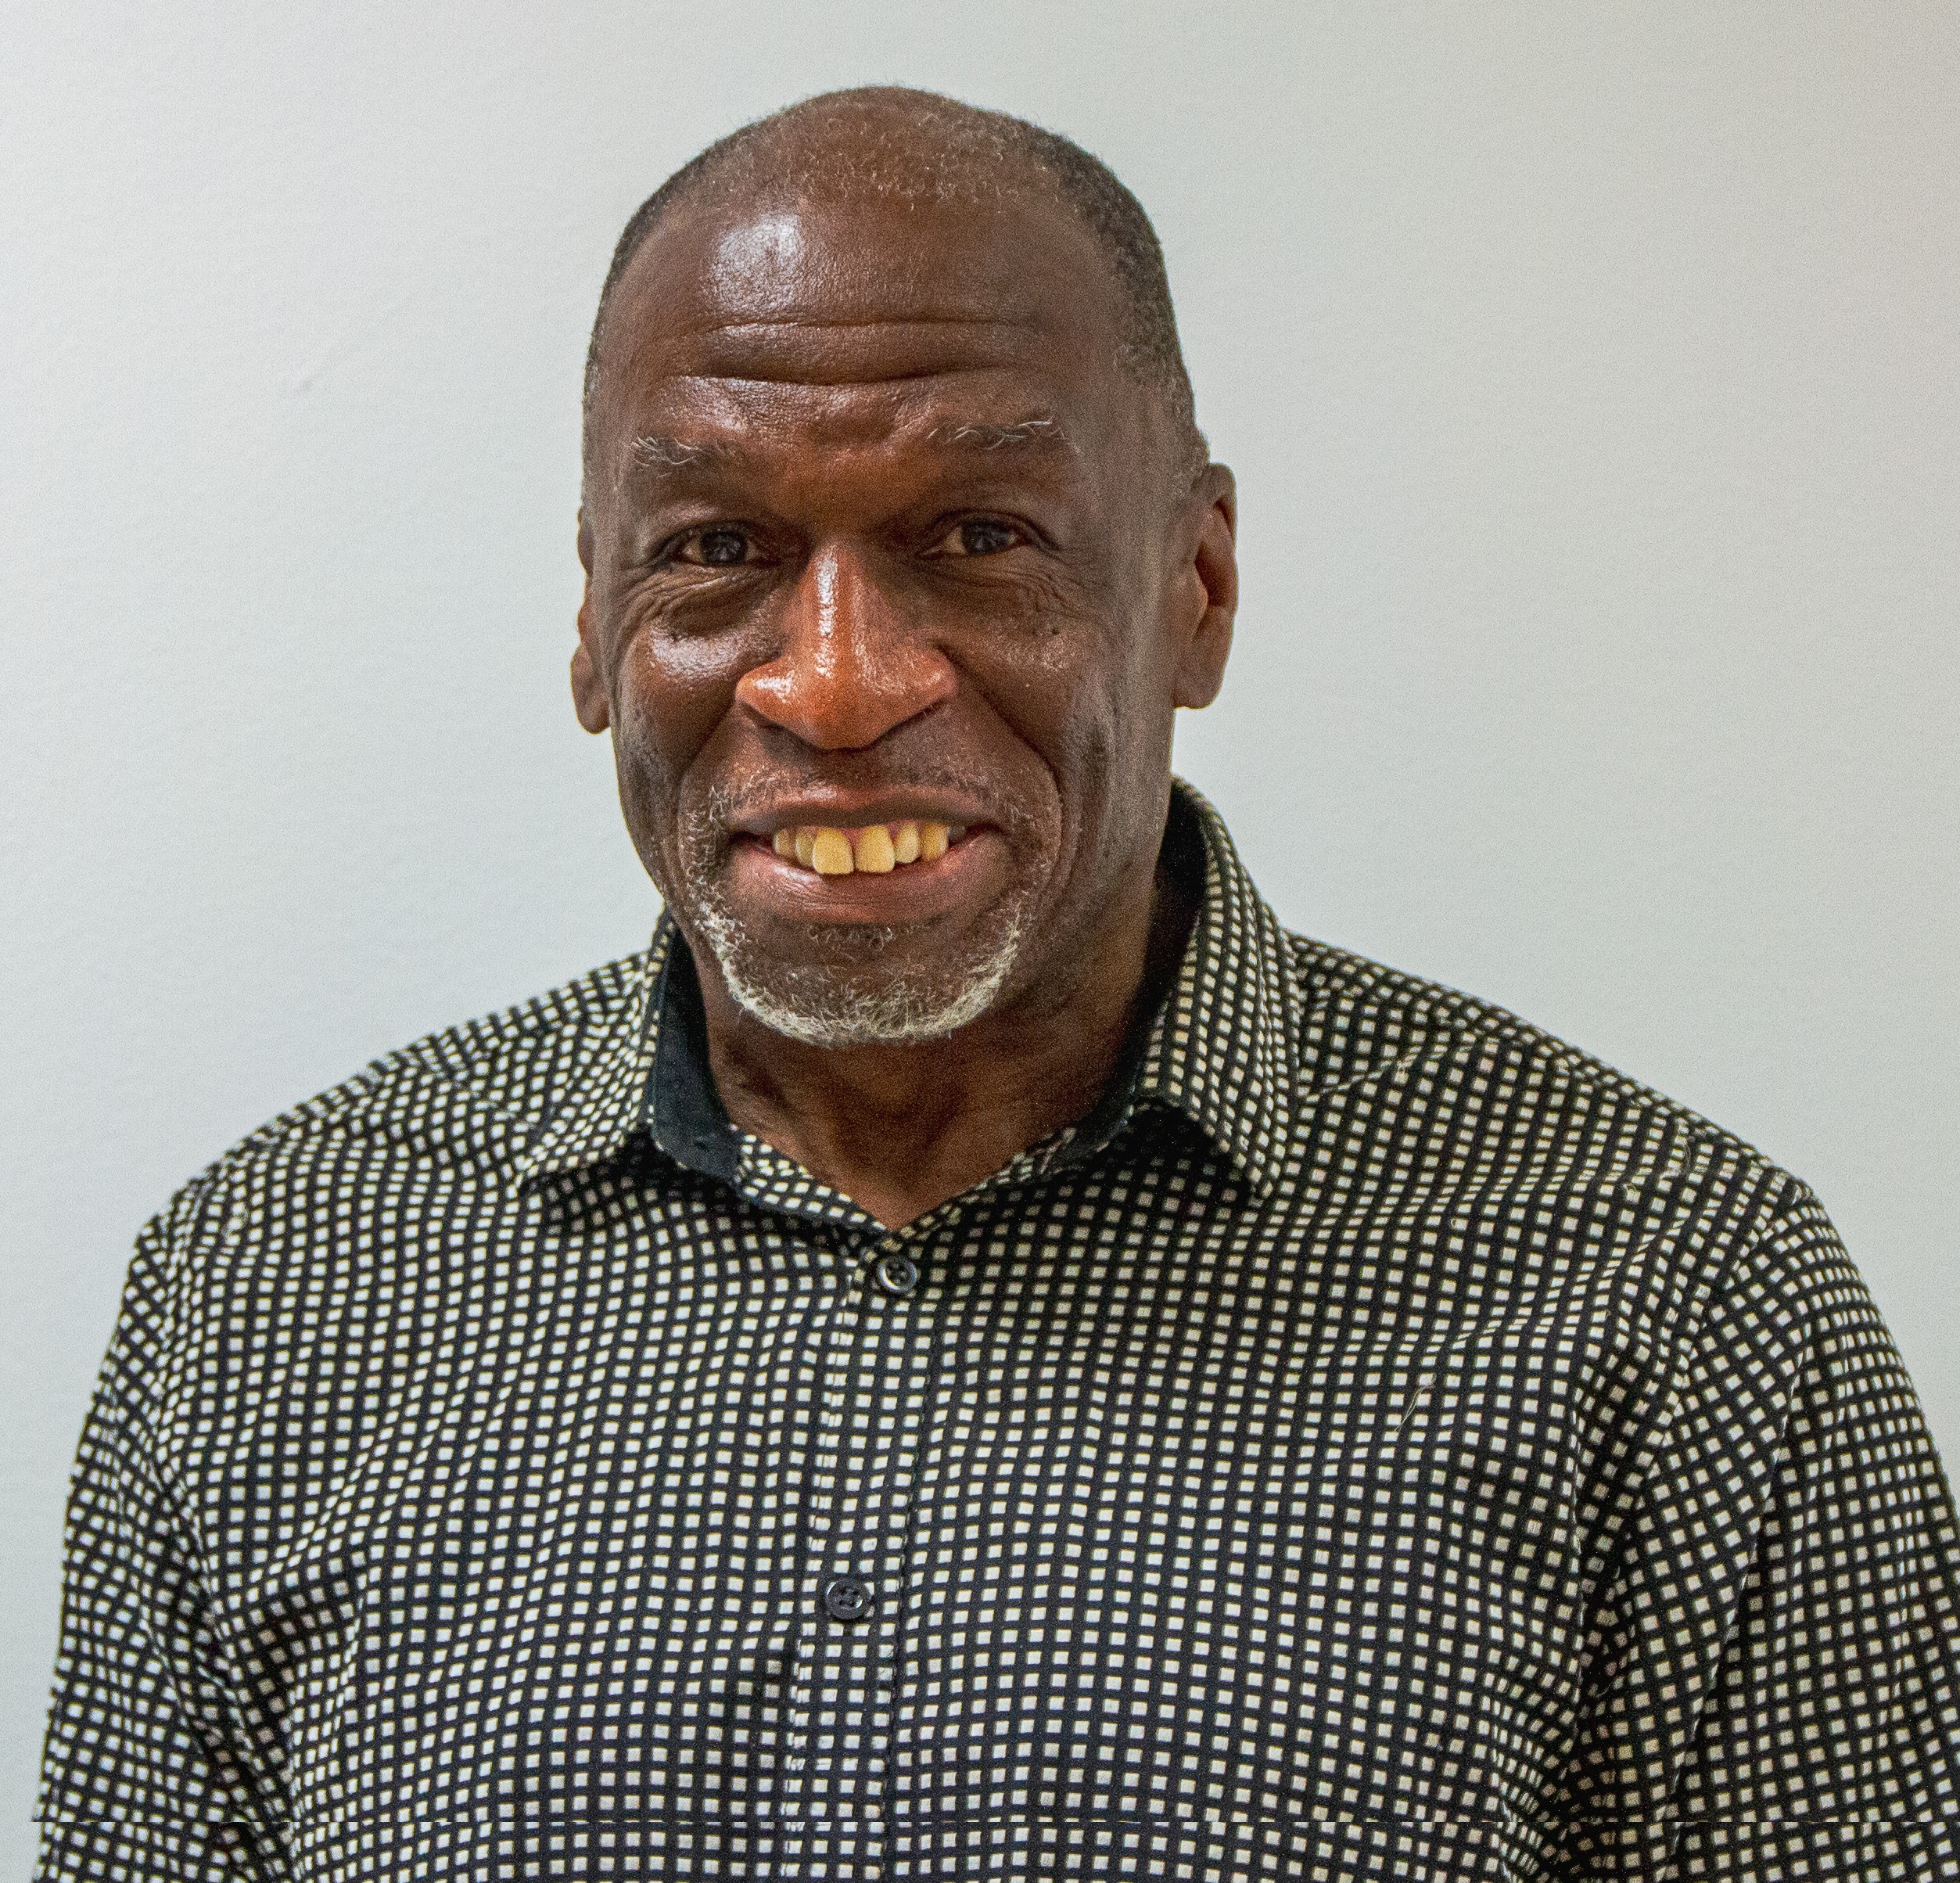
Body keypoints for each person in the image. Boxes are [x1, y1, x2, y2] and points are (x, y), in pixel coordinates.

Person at [34, 86, 1960, 1883]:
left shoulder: (1673, 1305)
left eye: (978, 538)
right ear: (595, 623)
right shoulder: (265, 1295)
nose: (835, 682)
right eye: (714, 550)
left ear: (1195, 587)